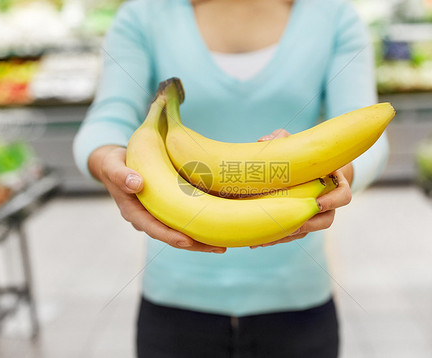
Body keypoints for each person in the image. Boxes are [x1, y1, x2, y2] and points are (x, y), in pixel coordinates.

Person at [73, 0, 389, 357]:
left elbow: (362, 129)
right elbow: (108, 118)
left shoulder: (333, 16)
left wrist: (339, 173)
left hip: (296, 297)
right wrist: (107, 163)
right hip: (176, 298)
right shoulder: (145, 14)